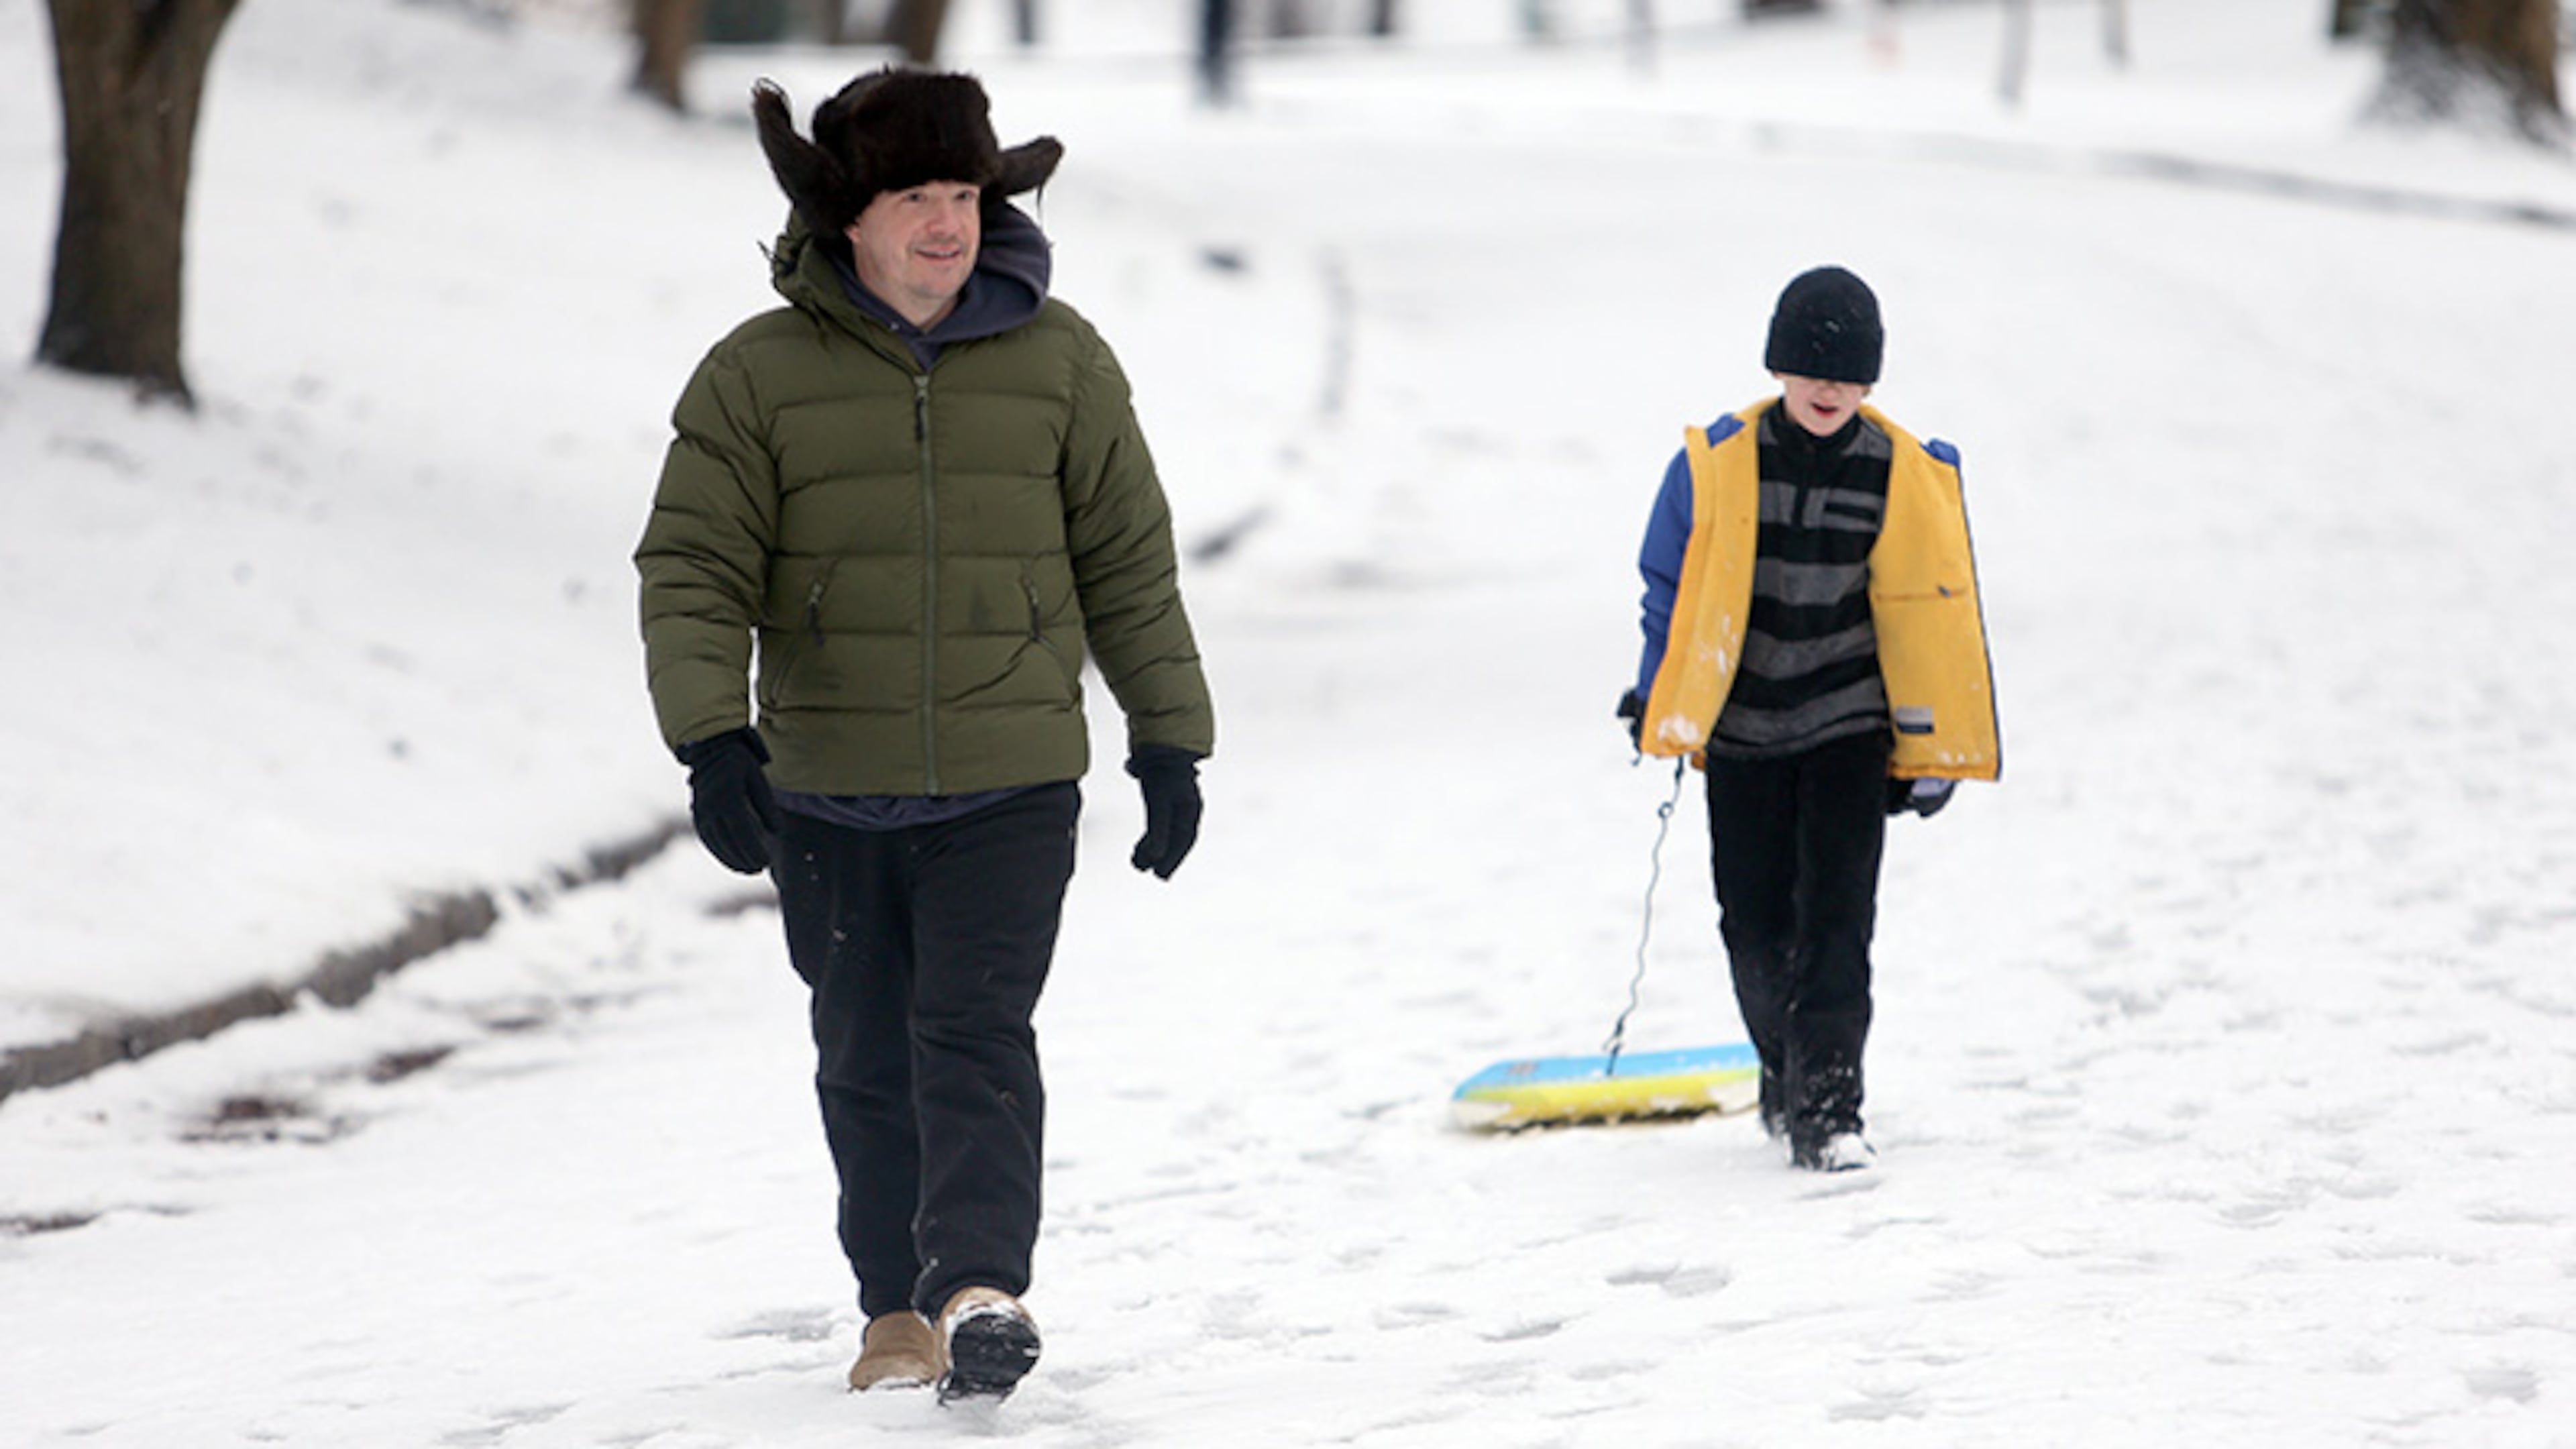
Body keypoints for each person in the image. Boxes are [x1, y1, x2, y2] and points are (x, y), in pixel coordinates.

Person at [634, 67, 1215, 1401]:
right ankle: (891, 1305)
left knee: (974, 1033)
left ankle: (977, 1289)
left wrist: (1167, 739)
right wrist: (713, 740)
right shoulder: (754, 376)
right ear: (850, 215)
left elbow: (1129, 561)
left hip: (1011, 782)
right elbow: (693, 569)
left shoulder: (1061, 360)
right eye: (917, 196)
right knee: (864, 1052)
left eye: (965, 192)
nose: (948, 221)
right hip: (828, 789)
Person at [1620, 266, 1996, 1173]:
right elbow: (1667, 592)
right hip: (1742, 726)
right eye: (1809, 369)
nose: (1827, 389)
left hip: (1847, 726)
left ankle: (1830, 1110)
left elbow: (1936, 613)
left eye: (1848, 373)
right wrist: (1654, 696)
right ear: (1779, 368)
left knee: (1836, 924)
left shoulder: (1904, 474)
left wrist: (1932, 750)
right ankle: (1785, 1070)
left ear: (1870, 381)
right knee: (1753, 927)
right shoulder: (1714, 466)